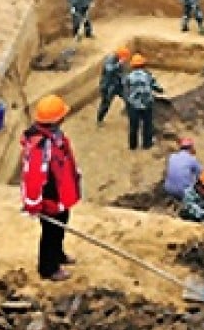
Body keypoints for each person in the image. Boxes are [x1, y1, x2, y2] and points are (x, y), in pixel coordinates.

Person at [20, 94, 82, 282]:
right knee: (50, 233)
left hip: (61, 195)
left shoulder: (55, 136)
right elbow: (34, 177)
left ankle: (58, 254)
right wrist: (33, 203)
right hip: (50, 199)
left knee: (60, 227)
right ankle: (48, 268)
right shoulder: (41, 146)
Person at [124, 53, 164, 150]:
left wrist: (128, 101)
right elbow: (156, 86)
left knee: (133, 126)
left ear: (132, 65)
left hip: (133, 105)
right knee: (147, 125)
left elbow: (125, 90)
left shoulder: (129, 77)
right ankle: (147, 144)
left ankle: (133, 146)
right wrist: (160, 90)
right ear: (143, 65)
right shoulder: (148, 75)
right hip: (147, 104)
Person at [95, 46, 130, 127]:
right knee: (105, 104)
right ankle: (99, 119)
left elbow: (124, 72)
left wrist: (126, 82)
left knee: (129, 100)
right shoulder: (110, 59)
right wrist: (118, 64)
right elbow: (109, 70)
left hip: (119, 84)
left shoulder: (123, 61)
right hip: (108, 86)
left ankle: (132, 119)